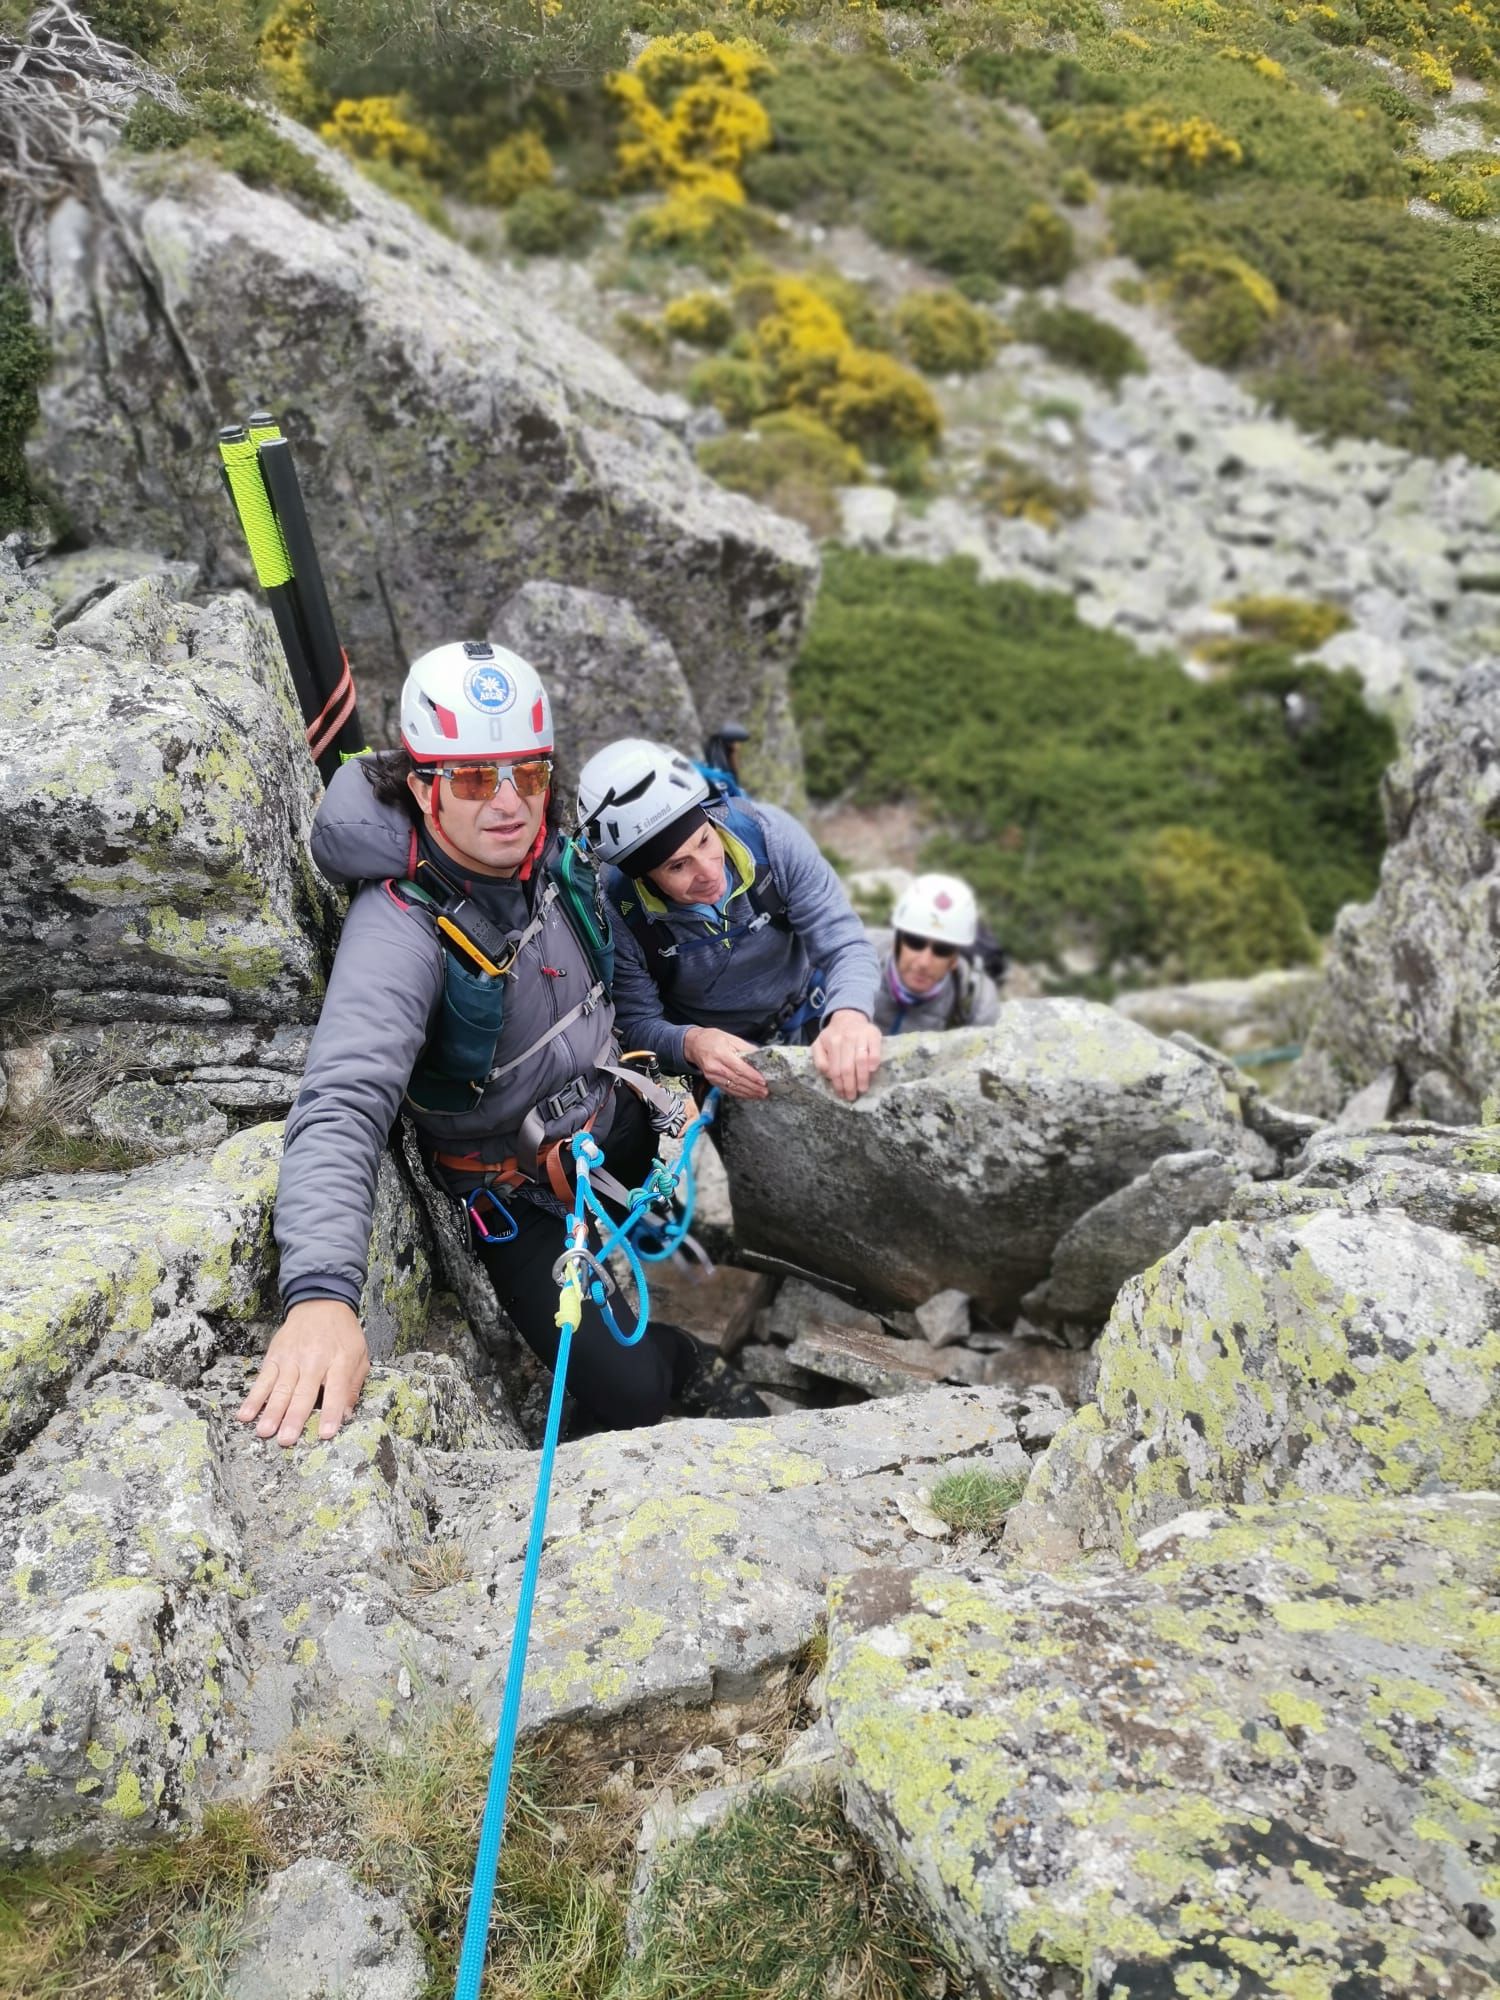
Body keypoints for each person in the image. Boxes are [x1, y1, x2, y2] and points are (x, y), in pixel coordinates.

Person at [238, 642, 765, 1450]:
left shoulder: (557, 858)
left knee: (672, 1175)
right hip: (516, 1192)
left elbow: (618, 993)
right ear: (422, 786)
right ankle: (682, 1360)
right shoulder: (401, 929)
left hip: (609, 1116)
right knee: (627, 1397)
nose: (510, 801)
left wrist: (675, 1061)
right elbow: (343, 1102)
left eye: (529, 772)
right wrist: (320, 1295)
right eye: (476, 778)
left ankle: (648, 1252)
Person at [575, 738, 882, 1103]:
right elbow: (638, 1025)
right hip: (726, 1065)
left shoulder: (771, 838)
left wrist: (849, 1014)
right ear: (644, 877)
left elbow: (845, 943)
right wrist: (694, 1044)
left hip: (810, 1012)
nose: (709, 872)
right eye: (677, 866)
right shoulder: (619, 915)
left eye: (704, 840)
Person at [873, 874, 1003, 1035]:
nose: (924, 963)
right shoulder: (850, 958)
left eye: (942, 950)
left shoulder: (977, 1002)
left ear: (955, 958)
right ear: (896, 941)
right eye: (915, 942)